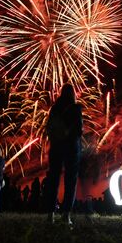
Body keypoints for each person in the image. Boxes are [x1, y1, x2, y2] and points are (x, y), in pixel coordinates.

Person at [44, 83, 83, 225]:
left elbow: (48, 128)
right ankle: (66, 215)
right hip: (71, 148)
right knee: (70, 180)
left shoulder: (55, 109)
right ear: (73, 94)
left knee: (53, 179)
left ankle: (50, 214)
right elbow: (79, 130)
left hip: (56, 147)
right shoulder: (76, 108)